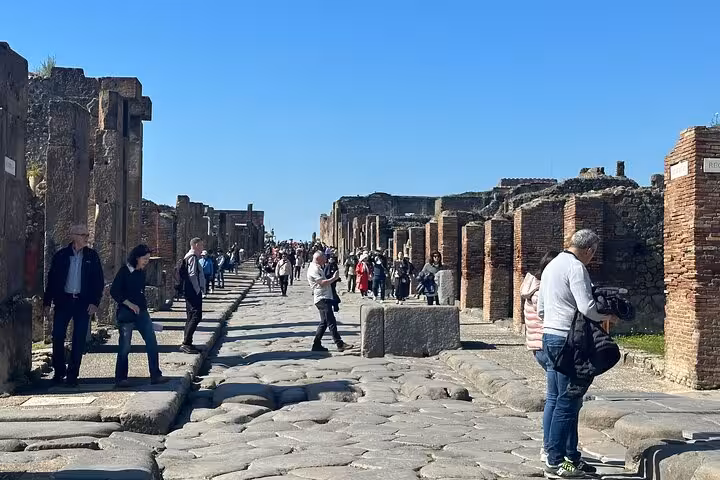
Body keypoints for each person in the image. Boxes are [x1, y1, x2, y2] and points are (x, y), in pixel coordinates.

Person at [538, 230, 610, 478]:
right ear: (589, 250)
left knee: (558, 400)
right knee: (568, 403)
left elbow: (542, 308)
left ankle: (567, 458)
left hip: (549, 336)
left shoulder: (552, 265)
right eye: (593, 253)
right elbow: (587, 307)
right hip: (569, 341)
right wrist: (606, 316)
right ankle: (556, 462)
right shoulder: (576, 268)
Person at [43, 224, 104, 387]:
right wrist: (47, 302)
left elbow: (98, 281)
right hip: (64, 301)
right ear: (73, 236)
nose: (87, 237)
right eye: (83, 234)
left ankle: (72, 375)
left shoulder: (92, 256)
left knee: (78, 339)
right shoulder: (61, 256)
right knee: (57, 336)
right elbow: (52, 279)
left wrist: (95, 303)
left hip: (83, 303)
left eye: (87, 234)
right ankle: (59, 372)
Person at [520, 250, 559, 462]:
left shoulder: (532, 286)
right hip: (547, 346)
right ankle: (549, 447)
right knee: (557, 399)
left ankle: (556, 447)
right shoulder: (541, 290)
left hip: (537, 346)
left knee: (558, 398)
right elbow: (549, 316)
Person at [111, 244, 167, 387]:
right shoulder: (124, 271)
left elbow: (140, 292)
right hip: (126, 314)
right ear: (136, 257)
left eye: (148, 259)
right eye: (144, 258)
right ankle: (121, 378)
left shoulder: (141, 273)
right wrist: (129, 304)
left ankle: (155, 374)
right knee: (125, 346)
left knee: (152, 343)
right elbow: (115, 291)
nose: (146, 261)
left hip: (142, 313)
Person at [307, 251, 354, 352]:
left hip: (325, 296)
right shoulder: (314, 269)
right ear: (318, 259)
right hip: (322, 298)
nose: (325, 259)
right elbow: (322, 283)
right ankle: (339, 344)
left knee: (324, 322)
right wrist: (334, 278)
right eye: (324, 258)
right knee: (331, 321)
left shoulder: (319, 267)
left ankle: (316, 345)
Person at [180, 237, 206, 354]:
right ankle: (186, 343)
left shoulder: (190, 256)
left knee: (191, 316)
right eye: (200, 245)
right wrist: (197, 290)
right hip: (192, 291)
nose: (202, 248)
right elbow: (192, 275)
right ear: (195, 245)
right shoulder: (192, 257)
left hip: (190, 291)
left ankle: (188, 343)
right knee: (196, 315)